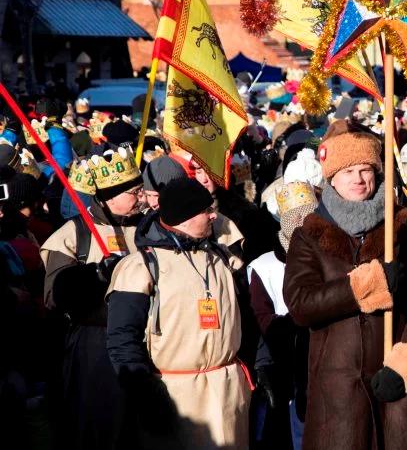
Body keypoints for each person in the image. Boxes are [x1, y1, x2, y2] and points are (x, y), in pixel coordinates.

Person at [283, 120, 407, 450]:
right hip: (338, 397)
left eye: (365, 169)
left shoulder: (403, 229)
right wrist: (364, 286)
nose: (358, 179)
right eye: (348, 171)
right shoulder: (309, 235)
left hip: (399, 389)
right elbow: (301, 304)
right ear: (331, 177)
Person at [106, 178, 251, 448]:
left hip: (228, 394)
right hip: (174, 398)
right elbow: (122, 338)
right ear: (184, 216)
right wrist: (144, 393)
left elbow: (246, 319)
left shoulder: (222, 259)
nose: (213, 215)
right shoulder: (141, 266)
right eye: (205, 210)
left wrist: (261, 366)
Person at [40, 148, 145, 449]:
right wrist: (95, 275)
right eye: (134, 192)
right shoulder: (74, 234)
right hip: (96, 344)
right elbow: (53, 296)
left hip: (146, 340)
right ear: (109, 197)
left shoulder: (150, 229)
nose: (142, 198)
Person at [248, 181, 317, 449]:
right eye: (298, 217)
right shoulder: (263, 266)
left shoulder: (329, 258)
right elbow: (262, 319)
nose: (305, 224)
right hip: (282, 367)